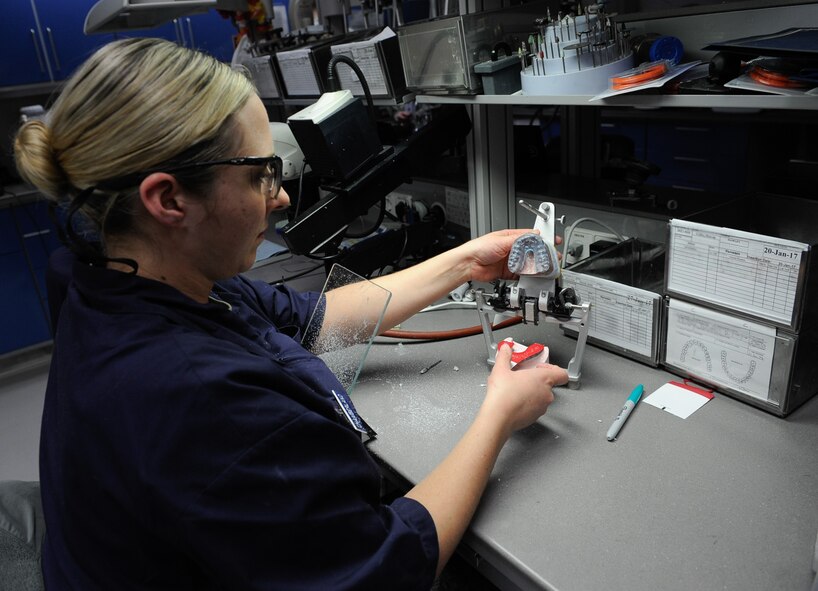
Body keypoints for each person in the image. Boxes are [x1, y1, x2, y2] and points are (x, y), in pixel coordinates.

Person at [14, 37, 569, 590]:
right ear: (169, 200)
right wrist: (499, 415)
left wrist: (467, 261)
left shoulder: (109, 273)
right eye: (260, 174)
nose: (279, 198)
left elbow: (310, 318)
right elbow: (383, 569)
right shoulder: (205, 403)